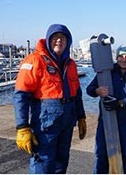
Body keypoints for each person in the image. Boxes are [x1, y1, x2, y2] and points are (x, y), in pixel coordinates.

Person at [13, 24, 87, 173]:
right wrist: (22, 127)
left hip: (67, 120)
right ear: (48, 40)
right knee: (43, 162)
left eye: (63, 38)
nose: (59, 41)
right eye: (55, 37)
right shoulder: (34, 61)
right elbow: (21, 95)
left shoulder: (71, 64)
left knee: (62, 161)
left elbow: (77, 94)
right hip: (45, 122)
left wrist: (81, 117)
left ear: (68, 42)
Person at [86, 45, 126, 174]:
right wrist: (97, 90)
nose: (124, 59)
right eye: (121, 56)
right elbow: (89, 89)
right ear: (116, 57)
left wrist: (121, 103)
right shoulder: (107, 72)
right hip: (105, 121)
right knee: (101, 154)